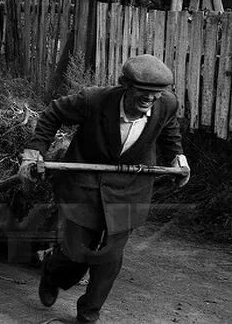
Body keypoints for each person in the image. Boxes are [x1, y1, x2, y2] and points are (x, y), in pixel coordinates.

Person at [18, 54, 190, 323]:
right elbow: (53, 114)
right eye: (142, 92)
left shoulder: (166, 104)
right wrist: (33, 152)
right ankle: (52, 271)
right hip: (83, 181)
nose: (149, 99)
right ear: (125, 85)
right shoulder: (94, 100)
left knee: (110, 256)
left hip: (129, 188)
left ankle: (89, 312)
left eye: (155, 94)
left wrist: (178, 157)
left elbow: (170, 130)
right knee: (76, 252)